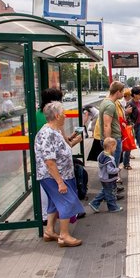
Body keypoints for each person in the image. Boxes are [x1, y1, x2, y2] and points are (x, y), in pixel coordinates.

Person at [34, 101, 84, 247]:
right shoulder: (47, 133)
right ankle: (64, 235)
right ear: (57, 116)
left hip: (60, 175)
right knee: (67, 202)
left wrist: (73, 140)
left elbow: (62, 151)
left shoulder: (55, 130)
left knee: (54, 204)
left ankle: (49, 231)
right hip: (54, 177)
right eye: (63, 113)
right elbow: (49, 161)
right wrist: (60, 182)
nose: (65, 115)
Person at [35, 87, 65, 225]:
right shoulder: (51, 118)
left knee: (45, 189)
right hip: (51, 159)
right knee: (55, 187)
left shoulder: (37, 114)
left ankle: (45, 216)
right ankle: (52, 216)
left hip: (42, 158)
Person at [87, 137, 123, 213]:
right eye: (115, 147)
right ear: (111, 147)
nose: (115, 149)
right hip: (109, 179)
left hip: (103, 178)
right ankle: (112, 207)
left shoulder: (102, 154)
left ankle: (94, 203)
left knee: (105, 191)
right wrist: (118, 169)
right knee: (110, 194)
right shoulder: (109, 159)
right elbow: (110, 170)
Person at [99, 81, 126, 168]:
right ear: (118, 92)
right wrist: (109, 141)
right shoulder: (110, 105)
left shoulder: (105, 102)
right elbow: (107, 125)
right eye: (122, 91)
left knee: (110, 163)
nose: (123, 93)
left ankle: (112, 177)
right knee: (113, 164)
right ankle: (113, 178)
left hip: (111, 138)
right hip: (113, 139)